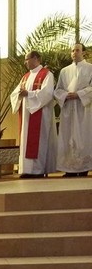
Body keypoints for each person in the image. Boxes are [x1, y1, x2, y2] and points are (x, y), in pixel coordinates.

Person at [10, 51, 56, 178]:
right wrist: (19, 94)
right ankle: (27, 170)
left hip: (40, 115)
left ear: (36, 58)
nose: (25, 62)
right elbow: (15, 93)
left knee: (39, 141)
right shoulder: (25, 77)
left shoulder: (46, 74)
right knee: (26, 140)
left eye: (27, 59)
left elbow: (47, 93)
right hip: (26, 115)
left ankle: (38, 170)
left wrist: (28, 94)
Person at [53, 43, 92, 177]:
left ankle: (83, 167)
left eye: (77, 50)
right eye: (72, 51)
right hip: (68, 108)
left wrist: (79, 94)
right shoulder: (64, 71)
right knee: (67, 137)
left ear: (83, 53)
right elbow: (58, 90)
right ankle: (69, 169)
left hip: (83, 108)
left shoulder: (90, 68)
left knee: (83, 137)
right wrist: (65, 95)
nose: (74, 53)